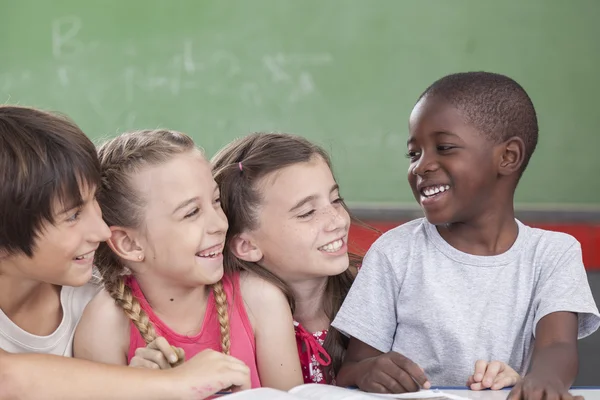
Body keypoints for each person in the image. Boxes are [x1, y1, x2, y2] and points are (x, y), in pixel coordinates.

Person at [331, 72, 600, 399]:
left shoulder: (552, 253)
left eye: (443, 148)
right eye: (414, 154)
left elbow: (558, 346)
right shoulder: (395, 252)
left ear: (508, 157)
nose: (421, 166)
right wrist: (370, 371)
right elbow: (352, 368)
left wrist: (544, 380)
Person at [0, 106, 251, 400]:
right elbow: (9, 380)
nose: (102, 232)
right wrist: (178, 383)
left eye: (94, 200)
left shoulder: (101, 295)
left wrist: (140, 380)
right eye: (72, 216)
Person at [73, 129, 302, 391]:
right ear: (129, 243)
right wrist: (138, 392)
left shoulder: (261, 300)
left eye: (215, 201)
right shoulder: (104, 326)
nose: (218, 224)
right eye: (191, 212)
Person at [212, 132, 364, 384]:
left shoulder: (372, 290)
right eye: (307, 213)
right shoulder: (231, 318)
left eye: (336, 199)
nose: (337, 220)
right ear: (247, 245)